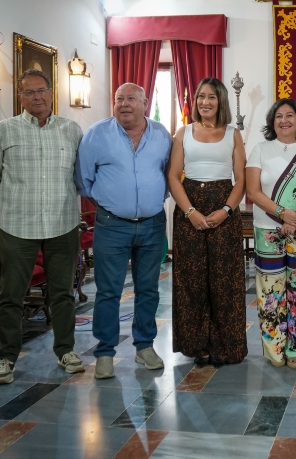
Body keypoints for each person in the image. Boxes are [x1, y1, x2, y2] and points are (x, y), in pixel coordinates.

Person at [0, 69, 85, 385]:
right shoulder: (3, 130)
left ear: (51, 92)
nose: (36, 97)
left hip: (63, 224)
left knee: (63, 293)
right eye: (29, 92)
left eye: (41, 91)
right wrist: (16, 201)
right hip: (18, 226)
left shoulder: (71, 130)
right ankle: (6, 359)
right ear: (20, 96)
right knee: (11, 295)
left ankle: (65, 351)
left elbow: (79, 175)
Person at [74, 83, 171, 379]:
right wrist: (113, 203)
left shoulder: (162, 135)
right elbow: (83, 179)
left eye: (131, 99)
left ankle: (144, 347)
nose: (124, 104)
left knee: (148, 289)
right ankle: (104, 352)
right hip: (111, 224)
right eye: (119, 99)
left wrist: (149, 200)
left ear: (144, 103)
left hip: (153, 224)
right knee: (108, 291)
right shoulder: (96, 135)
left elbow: (168, 174)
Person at [168, 77, 247, 366]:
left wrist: (226, 209)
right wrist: (190, 212)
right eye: (201, 96)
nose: (205, 102)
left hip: (223, 205)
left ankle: (226, 346)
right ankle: (196, 345)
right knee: (192, 280)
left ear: (221, 101)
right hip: (190, 208)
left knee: (225, 280)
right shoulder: (183, 132)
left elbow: (241, 180)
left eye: (211, 97)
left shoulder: (233, 133)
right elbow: (173, 176)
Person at [245, 98, 296, 368]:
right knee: (270, 292)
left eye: (290, 115)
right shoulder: (260, 149)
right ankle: (274, 349)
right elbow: (253, 191)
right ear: (272, 122)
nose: (284, 120)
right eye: (278, 116)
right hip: (267, 229)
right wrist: (282, 213)